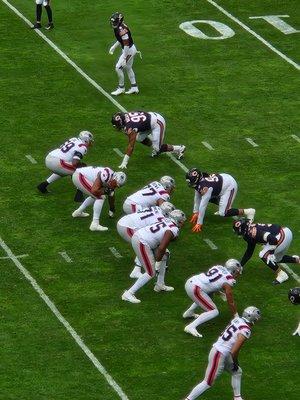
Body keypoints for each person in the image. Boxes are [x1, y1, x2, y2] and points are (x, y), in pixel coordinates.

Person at [183, 306, 261, 400]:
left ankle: (237, 398)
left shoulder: (237, 320)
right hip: (219, 353)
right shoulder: (246, 330)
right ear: (253, 319)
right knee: (207, 382)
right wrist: (235, 362)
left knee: (237, 372)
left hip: (222, 351)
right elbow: (234, 351)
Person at [121, 209, 186, 303]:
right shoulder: (173, 229)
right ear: (178, 221)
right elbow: (161, 248)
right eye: (182, 222)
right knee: (151, 272)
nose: (183, 224)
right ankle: (128, 293)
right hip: (141, 241)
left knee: (165, 255)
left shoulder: (165, 220)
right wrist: (158, 262)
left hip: (142, 237)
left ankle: (160, 285)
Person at [183, 259, 242, 338]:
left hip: (191, 281)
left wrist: (220, 293)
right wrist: (236, 316)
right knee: (214, 311)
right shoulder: (229, 280)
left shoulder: (218, 267)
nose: (238, 274)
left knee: (209, 295)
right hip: (195, 289)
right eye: (237, 272)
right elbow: (230, 301)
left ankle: (189, 312)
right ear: (233, 271)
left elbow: (211, 283)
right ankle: (191, 327)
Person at [185, 168, 255, 233]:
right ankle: (224, 205)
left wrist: (199, 223)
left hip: (229, 185)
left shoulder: (205, 187)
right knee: (205, 197)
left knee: (223, 213)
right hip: (222, 181)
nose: (191, 183)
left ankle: (249, 211)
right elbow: (197, 197)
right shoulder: (201, 182)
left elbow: (203, 205)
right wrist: (196, 212)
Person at [117, 201, 175, 279]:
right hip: (128, 227)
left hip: (124, 221)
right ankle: (136, 270)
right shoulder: (161, 219)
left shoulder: (156, 208)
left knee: (144, 243)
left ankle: (139, 268)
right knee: (144, 243)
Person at [233, 219, 300, 284]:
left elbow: (272, 239)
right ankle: (296, 260)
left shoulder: (253, 232)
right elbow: (249, 251)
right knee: (277, 259)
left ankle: (281, 274)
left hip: (280, 236)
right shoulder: (249, 233)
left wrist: (271, 253)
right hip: (285, 233)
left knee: (263, 255)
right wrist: (240, 266)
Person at [111, 111, 185, 168]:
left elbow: (131, 145)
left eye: (117, 125)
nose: (117, 127)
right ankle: (156, 149)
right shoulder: (126, 116)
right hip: (149, 120)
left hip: (157, 123)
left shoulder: (130, 127)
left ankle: (180, 148)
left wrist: (124, 162)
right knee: (139, 138)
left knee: (157, 148)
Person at [37, 131, 94, 201]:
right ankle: (79, 196)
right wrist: (80, 166)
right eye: (90, 141)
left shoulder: (73, 139)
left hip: (49, 157)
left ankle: (43, 185)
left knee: (65, 170)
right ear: (86, 140)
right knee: (81, 170)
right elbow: (75, 163)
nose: (90, 142)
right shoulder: (82, 147)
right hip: (58, 162)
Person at [72, 166, 126, 231]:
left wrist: (112, 209)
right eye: (115, 185)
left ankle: (78, 212)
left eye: (117, 186)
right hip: (79, 176)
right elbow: (94, 190)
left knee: (96, 195)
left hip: (81, 176)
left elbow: (111, 194)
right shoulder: (106, 175)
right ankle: (95, 224)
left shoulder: (112, 179)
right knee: (100, 197)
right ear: (114, 178)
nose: (115, 187)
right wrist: (105, 191)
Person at [109, 12, 140, 95]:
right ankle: (134, 87)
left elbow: (126, 44)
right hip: (130, 49)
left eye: (114, 22)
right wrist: (114, 47)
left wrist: (124, 57)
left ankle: (121, 88)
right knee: (129, 68)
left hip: (128, 50)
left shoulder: (121, 30)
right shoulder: (121, 26)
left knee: (118, 68)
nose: (113, 24)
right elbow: (121, 40)